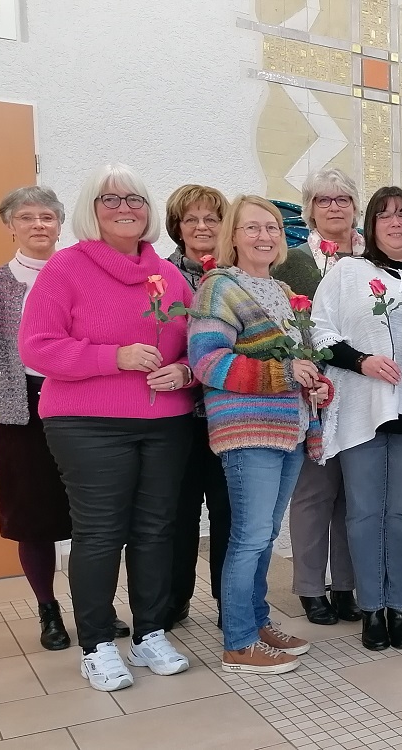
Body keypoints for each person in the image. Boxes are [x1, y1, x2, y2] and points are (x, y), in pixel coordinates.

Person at [19, 164, 196, 691]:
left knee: (156, 529)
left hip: (165, 420)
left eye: (135, 199)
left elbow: (196, 343)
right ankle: (96, 644)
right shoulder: (66, 269)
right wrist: (113, 356)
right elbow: (37, 346)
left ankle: (149, 633)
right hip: (87, 423)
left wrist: (184, 370)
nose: (125, 208)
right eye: (110, 199)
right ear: (90, 211)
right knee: (99, 533)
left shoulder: (168, 274)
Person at [188, 194, 328, 674]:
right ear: (233, 236)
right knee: (248, 537)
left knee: (264, 536)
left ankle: (257, 622)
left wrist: (316, 382)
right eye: (252, 227)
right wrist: (287, 374)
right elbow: (208, 362)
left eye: (272, 227)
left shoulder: (287, 292)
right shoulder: (219, 288)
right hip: (248, 430)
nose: (264, 235)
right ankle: (239, 642)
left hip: (288, 428)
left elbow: (301, 363)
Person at [314, 186, 402, 652]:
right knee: (365, 512)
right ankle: (371, 609)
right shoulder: (348, 272)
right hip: (361, 408)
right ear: (370, 227)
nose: (395, 222)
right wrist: (360, 360)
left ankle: (400, 608)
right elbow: (319, 331)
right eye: (384, 215)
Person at [0, 186, 74, 650]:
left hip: (78, 400)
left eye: (47, 217)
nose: (38, 225)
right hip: (22, 407)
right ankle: (48, 610)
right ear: (10, 225)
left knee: (94, 511)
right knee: (32, 514)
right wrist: (10, 397)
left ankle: (96, 606)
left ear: (59, 224)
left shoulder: (77, 273)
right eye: (27, 217)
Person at [274, 169, 364, 626]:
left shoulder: (373, 260)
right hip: (314, 393)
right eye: (324, 200)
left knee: (354, 494)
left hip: (364, 392)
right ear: (309, 209)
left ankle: (346, 586)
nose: (334, 206)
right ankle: (311, 587)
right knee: (314, 493)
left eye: (343, 198)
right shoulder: (291, 262)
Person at [162, 184, 232, 630]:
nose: (202, 226)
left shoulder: (236, 276)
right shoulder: (159, 276)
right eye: (192, 219)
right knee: (177, 515)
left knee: (229, 514)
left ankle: (232, 605)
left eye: (212, 218)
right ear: (178, 227)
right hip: (175, 417)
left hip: (228, 415)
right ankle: (173, 602)